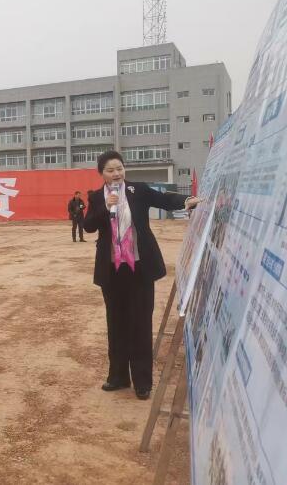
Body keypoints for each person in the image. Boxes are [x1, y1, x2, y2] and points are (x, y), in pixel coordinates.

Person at [83, 150, 200, 400]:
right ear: (101, 174)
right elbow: (89, 226)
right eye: (110, 170)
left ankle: (142, 382)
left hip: (140, 268)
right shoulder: (96, 197)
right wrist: (105, 207)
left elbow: (164, 200)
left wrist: (188, 199)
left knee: (140, 324)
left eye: (119, 168)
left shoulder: (139, 190)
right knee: (116, 325)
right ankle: (118, 376)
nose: (116, 173)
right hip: (112, 271)